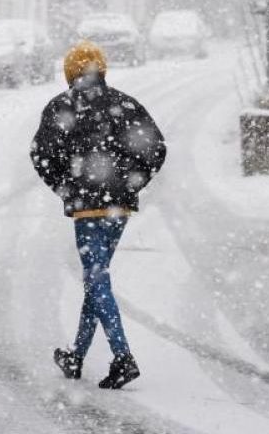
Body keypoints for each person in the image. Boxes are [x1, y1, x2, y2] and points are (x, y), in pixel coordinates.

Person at [30, 41, 167, 390]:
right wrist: (133, 182)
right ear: (101, 69)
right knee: (97, 278)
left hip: (88, 208)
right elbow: (155, 147)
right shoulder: (125, 104)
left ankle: (123, 356)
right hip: (119, 206)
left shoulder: (62, 106)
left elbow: (41, 154)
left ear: (69, 72)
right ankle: (76, 354)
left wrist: (66, 186)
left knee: (96, 279)